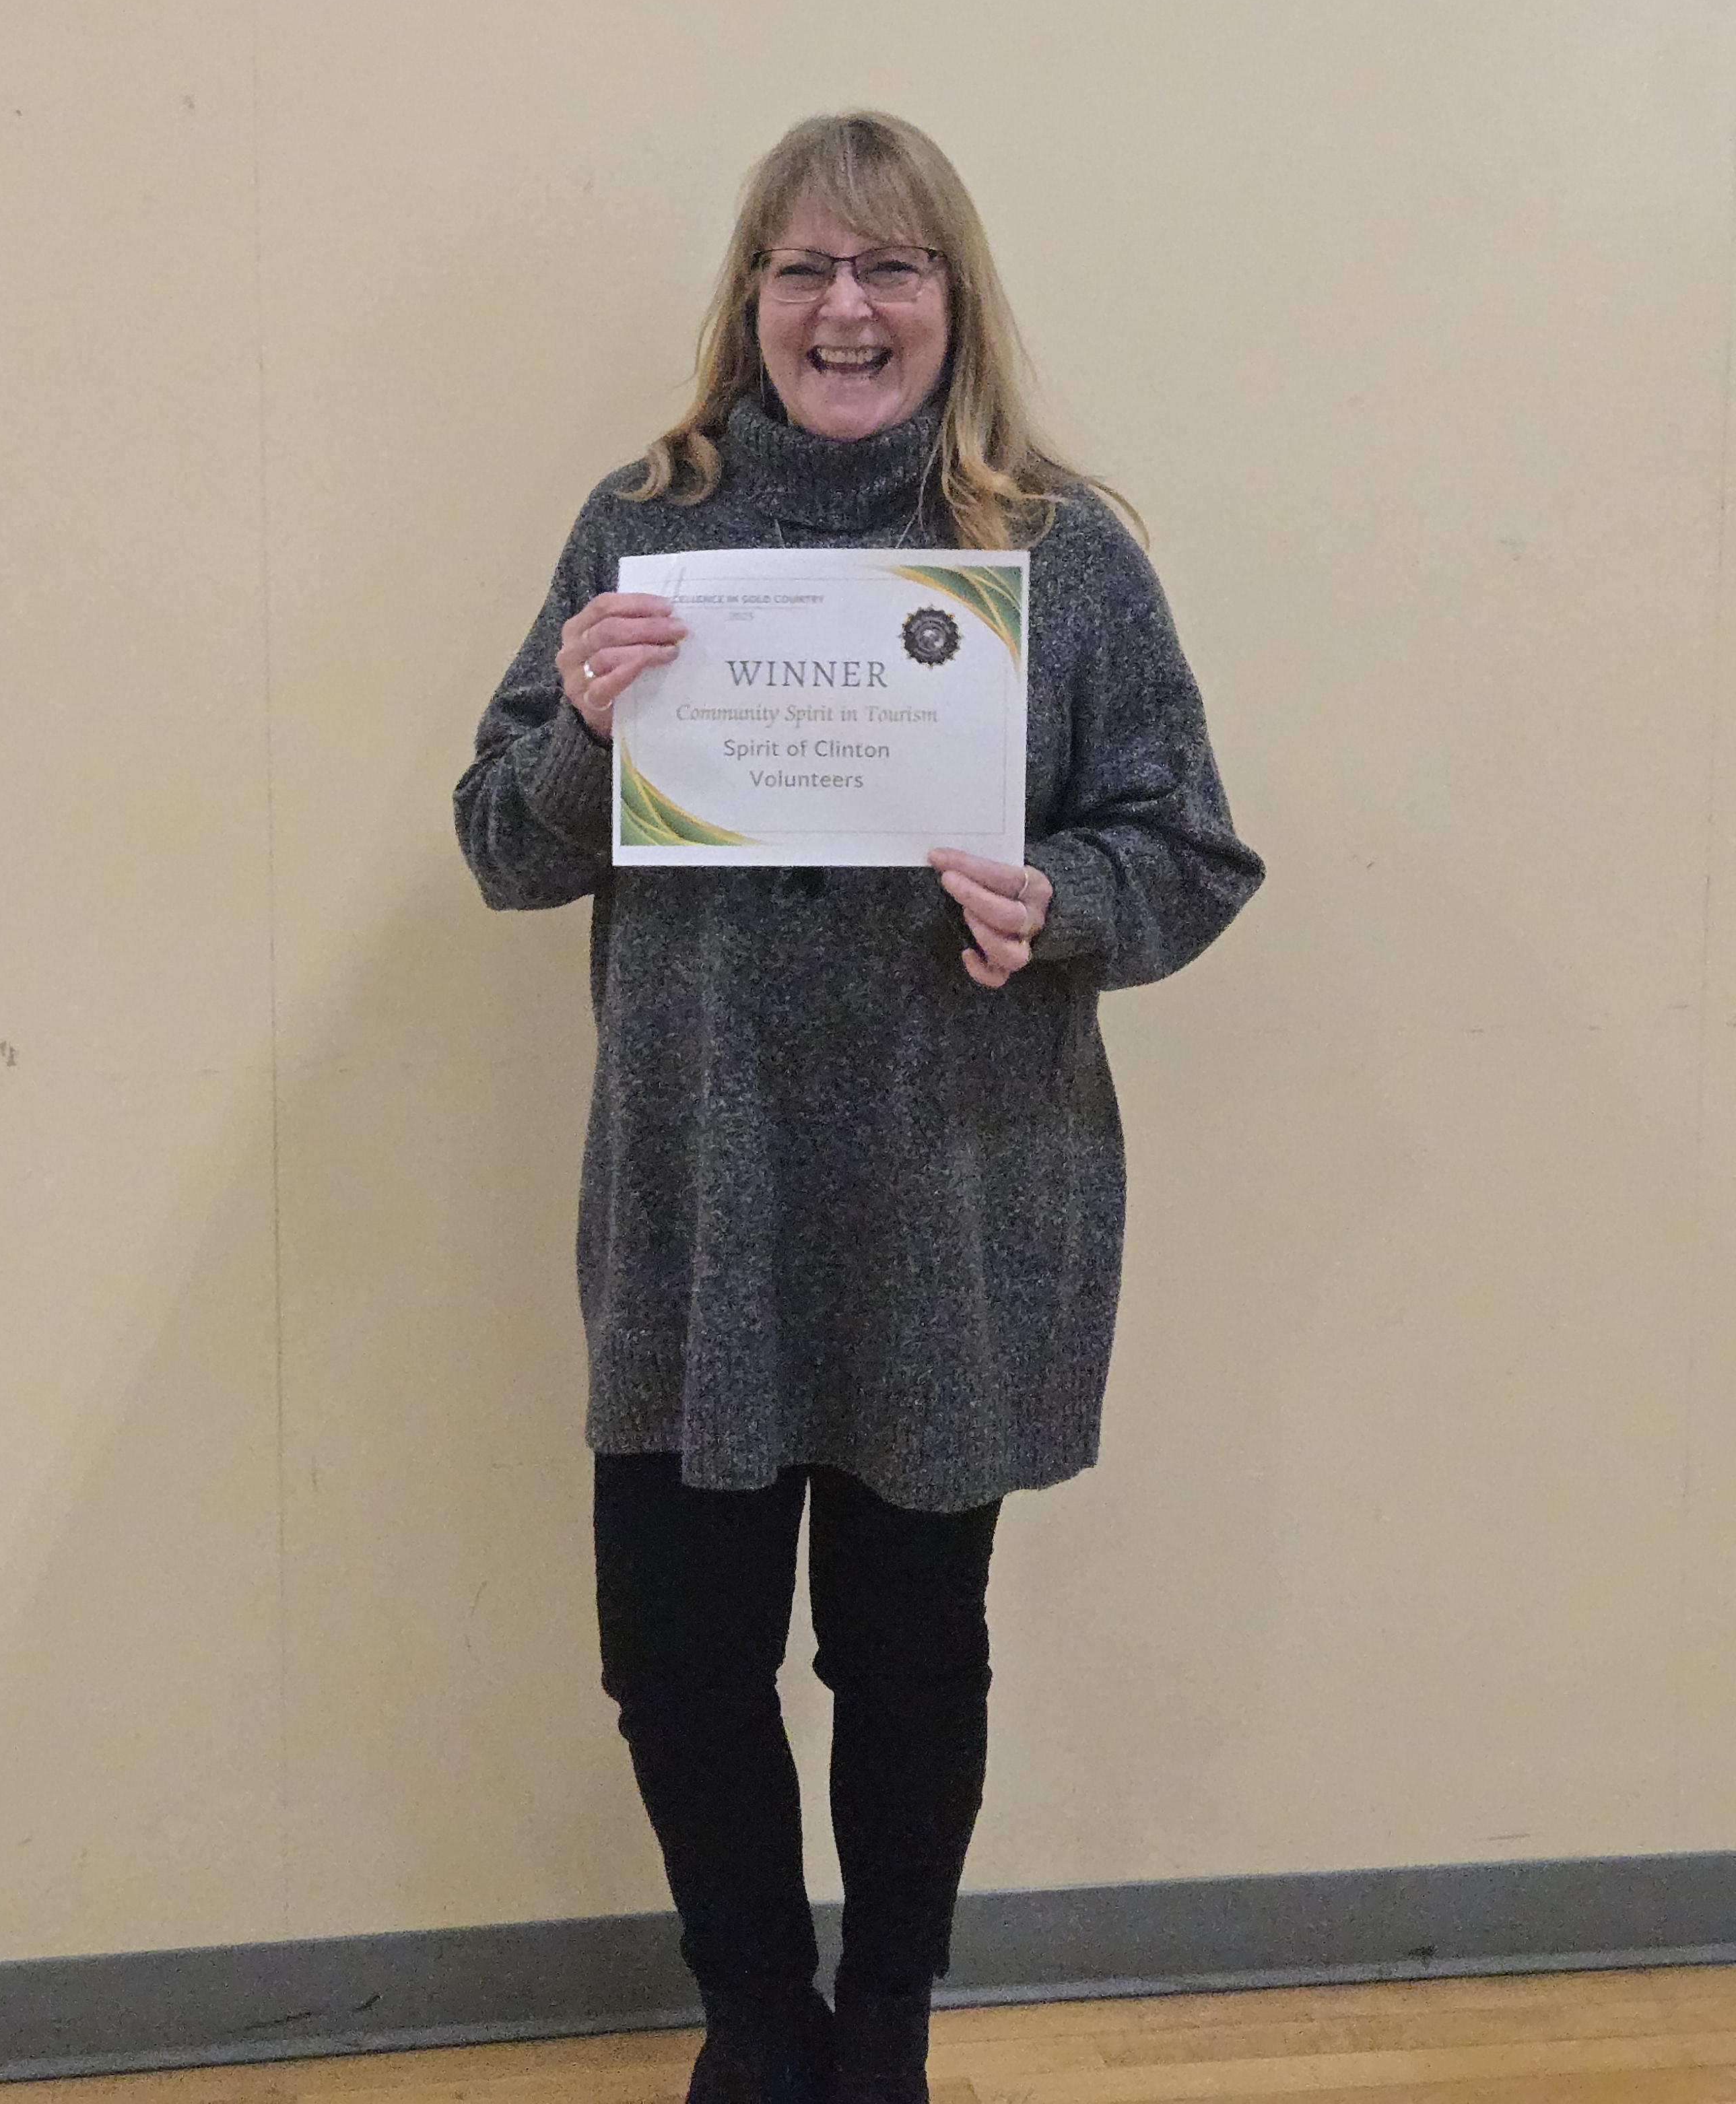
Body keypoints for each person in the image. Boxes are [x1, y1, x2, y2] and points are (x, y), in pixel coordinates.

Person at [454, 112, 1263, 2104]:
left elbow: (1189, 852)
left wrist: (1059, 902)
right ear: (750, 301)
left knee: (908, 1664)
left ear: (952, 304)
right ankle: (757, 2016)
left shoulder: (1059, 555)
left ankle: (885, 2024)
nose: (847, 307)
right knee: (679, 1661)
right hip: (701, 1203)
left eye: (891, 270)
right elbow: (501, 846)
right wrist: (583, 726)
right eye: (805, 268)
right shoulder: (644, 526)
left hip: (949, 1196)